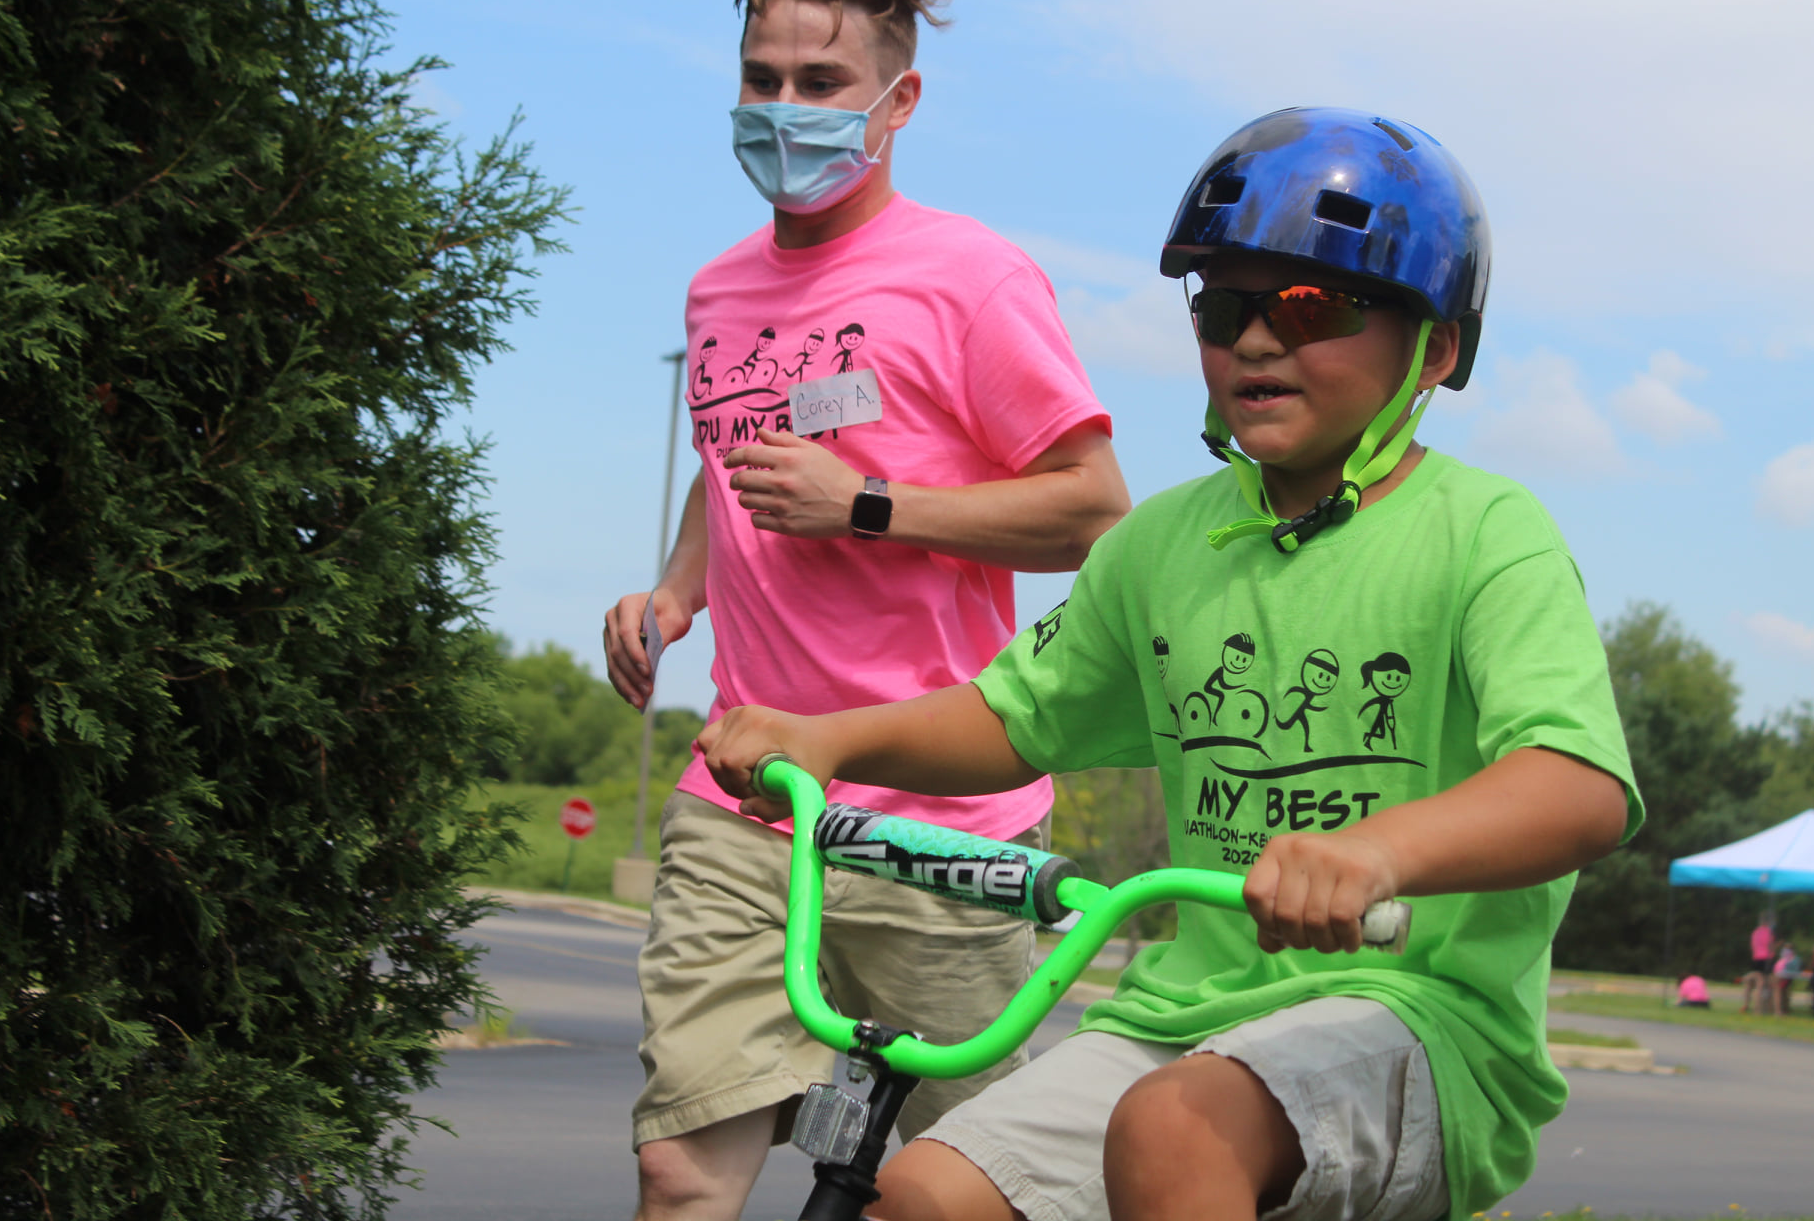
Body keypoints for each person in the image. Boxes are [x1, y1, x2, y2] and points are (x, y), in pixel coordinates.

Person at [700, 108, 1641, 1221]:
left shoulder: (1487, 531)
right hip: (1186, 1014)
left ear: (1433, 348)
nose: (1254, 341)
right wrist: (828, 739)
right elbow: (1014, 720)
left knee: (1175, 1128)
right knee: (923, 1192)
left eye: (1311, 305)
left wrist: (1376, 854)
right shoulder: (1161, 545)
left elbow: (1579, 787)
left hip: (1420, 1020)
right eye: (1226, 307)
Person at [600, 0, 1131, 1219]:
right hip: (747, 787)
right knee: (679, 1164)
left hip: (935, 819)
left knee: (944, 1195)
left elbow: (1095, 513)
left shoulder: (972, 280)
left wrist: (872, 506)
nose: (784, 108)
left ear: (897, 103)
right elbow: (730, 455)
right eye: (762, 78)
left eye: (822, 84)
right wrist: (679, 590)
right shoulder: (718, 289)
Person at [1740, 916, 1773, 1012]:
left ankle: (1746, 1004)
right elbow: (1770, 946)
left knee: (1753, 981)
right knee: (1762, 983)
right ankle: (1758, 1008)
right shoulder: (1769, 932)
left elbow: (1753, 947)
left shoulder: (1755, 932)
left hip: (1756, 959)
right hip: (1766, 959)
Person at [1771, 941, 1801, 1016]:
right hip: (1782, 976)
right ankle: (1781, 1008)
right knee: (1781, 990)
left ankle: (1777, 1010)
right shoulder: (1790, 958)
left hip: (1782, 976)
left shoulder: (1790, 958)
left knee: (1777, 990)